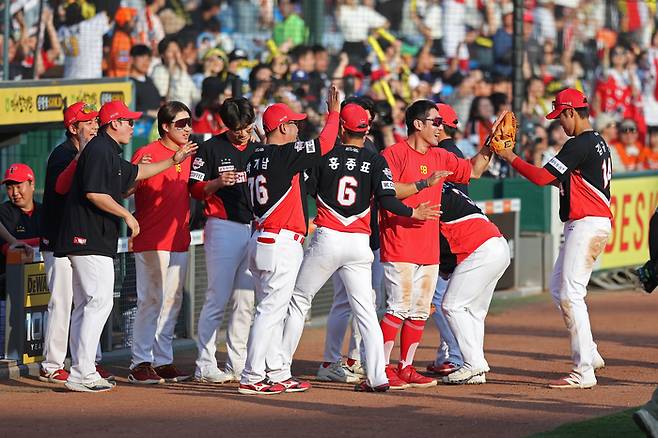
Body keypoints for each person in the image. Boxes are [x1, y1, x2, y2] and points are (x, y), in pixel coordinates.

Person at [280, 103, 440, 393]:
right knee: (365, 311)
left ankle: (280, 369)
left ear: (342, 128)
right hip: (359, 243)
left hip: (328, 236)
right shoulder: (375, 160)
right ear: (365, 130)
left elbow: (307, 189)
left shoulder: (324, 155)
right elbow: (388, 200)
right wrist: (412, 213)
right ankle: (378, 376)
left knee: (300, 301)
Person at [54, 100, 196, 393]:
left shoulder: (107, 150)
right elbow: (96, 192)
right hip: (89, 236)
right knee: (99, 303)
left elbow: (133, 175)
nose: (133, 126)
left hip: (96, 237)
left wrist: (173, 160)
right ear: (115, 123)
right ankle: (85, 370)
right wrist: (127, 214)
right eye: (128, 121)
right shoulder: (100, 149)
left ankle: (84, 369)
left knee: (92, 304)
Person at [494, 88, 611, 389]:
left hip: (587, 223)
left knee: (570, 294)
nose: (559, 122)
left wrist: (509, 156)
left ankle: (584, 370)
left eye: (561, 115)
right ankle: (591, 353)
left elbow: (542, 178)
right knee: (559, 290)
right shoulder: (595, 141)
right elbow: (556, 178)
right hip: (586, 223)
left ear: (572, 112)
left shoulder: (580, 143)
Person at [378, 99, 494, 390]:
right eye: (436, 122)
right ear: (418, 124)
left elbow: (473, 170)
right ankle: (381, 368)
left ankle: (405, 367)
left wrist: (492, 146)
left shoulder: (441, 155)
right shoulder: (392, 154)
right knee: (396, 308)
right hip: (400, 240)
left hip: (428, 245)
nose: (440, 128)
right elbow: (386, 192)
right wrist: (423, 184)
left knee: (419, 311)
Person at [239, 86, 341, 395]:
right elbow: (324, 143)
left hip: (262, 237)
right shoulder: (281, 154)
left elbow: (269, 159)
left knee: (271, 310)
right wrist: (334, 113)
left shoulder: (255, 157)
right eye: (294, 123)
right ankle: (252, 375)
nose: (297, 128)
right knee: (270, 311)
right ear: (283, 127)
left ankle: (278, 372)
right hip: (279, 241)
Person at [40, 102, 111, 384]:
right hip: (56, 238)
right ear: (73, 128)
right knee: (62, 301)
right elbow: (60, 187)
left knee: (85, 300)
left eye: (95, 120)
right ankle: (52, 363)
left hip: (76, 240)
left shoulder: (89, 152)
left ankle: (87, 361)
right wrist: (80, 156)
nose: (94, 125)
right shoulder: (63, 153)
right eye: (88, 121)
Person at [188, 98, 258, 384]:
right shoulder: (211, 148)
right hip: (223, 226)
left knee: (246, 299)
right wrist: (217, 182)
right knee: (217, 297)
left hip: (253, 227)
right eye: (235, 128)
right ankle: (204, 363)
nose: (241, 133)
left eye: (245, 127)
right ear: (224, 125)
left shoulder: (259, 148)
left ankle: (237, 363)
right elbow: (194, 188)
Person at [128, 102, 196, 384]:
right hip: (151, 237)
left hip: (178, 238)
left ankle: (163, 359)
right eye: (181, 124)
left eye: (188, 123)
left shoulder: (191, 154)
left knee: (172, 300)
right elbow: (125, 190)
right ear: (165, 126)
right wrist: (141, 172)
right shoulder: (147, 153)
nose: (187, 128)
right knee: (151, 300)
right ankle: (140, 362)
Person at [438, 183, 510, 384]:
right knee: (474, 313)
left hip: (481, 250)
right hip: (498, 245)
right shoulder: (448, 189)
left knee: (452, 306)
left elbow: (441, 239)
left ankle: (473, 364)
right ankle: (476, 370)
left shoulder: (432, 193)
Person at [426, 103, 466, 377]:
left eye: (434, 123)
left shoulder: (443, 153)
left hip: (446, 230)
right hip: (454, 229)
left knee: (441, 298)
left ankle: (457, 354)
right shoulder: (454, 152)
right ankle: (449, 353)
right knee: (445, 296)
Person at [0, 164, 42, 286]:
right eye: (9, 188)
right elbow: (10, 249)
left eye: (18, 186)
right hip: (10, 285)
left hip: (42, 282)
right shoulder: (3, 212)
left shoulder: (45, 211)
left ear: (32, 185)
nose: (14, 193)